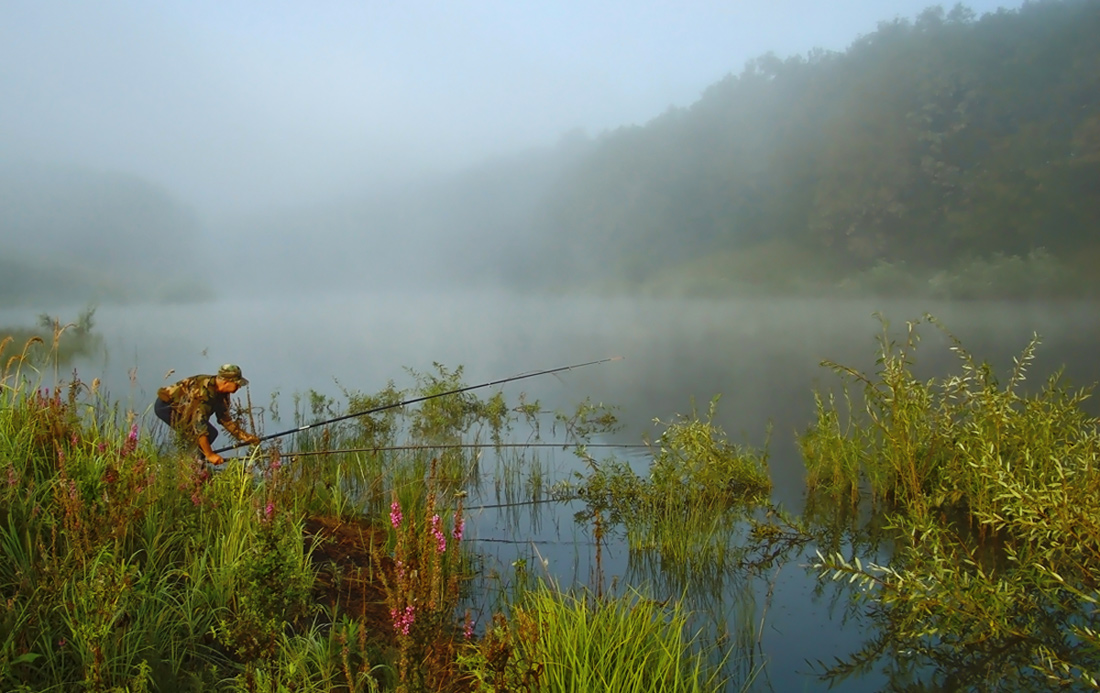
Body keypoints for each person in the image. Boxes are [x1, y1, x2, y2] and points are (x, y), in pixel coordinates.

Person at [154, 363, 260, 465]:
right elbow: (199, 425)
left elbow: (226, 420)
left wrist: (245, 437)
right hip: (167, 407)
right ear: (226, 382)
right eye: (237, 384)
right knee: (199, 436)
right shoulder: (203, 392)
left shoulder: (223, 394)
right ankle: (189, 465)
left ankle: (193, 464)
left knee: (209, 435)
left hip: (184, 409)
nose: (239, 387)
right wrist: (210, 455)